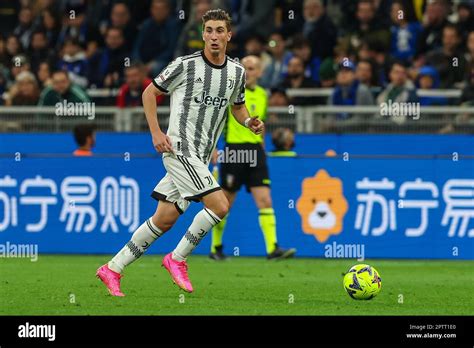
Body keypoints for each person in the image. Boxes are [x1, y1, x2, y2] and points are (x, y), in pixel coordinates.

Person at [97, 9, 263, 296]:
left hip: (201, 155)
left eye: (219, 30)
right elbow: (150, 92)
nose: (214, 36)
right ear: (202, 34)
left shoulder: (237, 72)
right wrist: (156, 133)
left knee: (164, 218)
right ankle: (177, 259)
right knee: (220, 205)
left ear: (229, 35)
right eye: (209, 30)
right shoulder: (185, 65)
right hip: (179, 149)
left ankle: (112, 268)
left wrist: (248, 121)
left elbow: (237, 106)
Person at [209, 55, 296, 261]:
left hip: (256, 152)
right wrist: (213, 148)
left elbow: (260, 126)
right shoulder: (230, 92)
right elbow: (216, 122)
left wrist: (262, 149)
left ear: (260, 72)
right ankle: (216, 247)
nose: (248, 72)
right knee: (225, 203)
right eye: (245, 68)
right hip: (234, 151)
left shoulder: (263, 95)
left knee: (265, 200)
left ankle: (272, 248)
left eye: (252, 68)